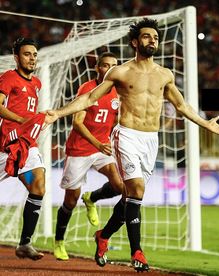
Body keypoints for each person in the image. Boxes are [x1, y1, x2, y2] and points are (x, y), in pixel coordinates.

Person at [45, 18, 219, 272]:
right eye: (146, 36)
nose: (152, 40)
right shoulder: (120, 72)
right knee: (137, 190)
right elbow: (89, 97)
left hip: (151, 140)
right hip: (127, 135)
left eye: (155, 37)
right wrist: (59, 112)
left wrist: (204, 123)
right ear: (135, 42)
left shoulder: (165, 74)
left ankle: (103, 235)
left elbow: (181, 105)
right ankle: (137, 252)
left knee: (131, 197)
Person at [53, 52, 124, 261]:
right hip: (80, 150)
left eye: (113, 66)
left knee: (121, 186)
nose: (109, 69)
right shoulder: (87, 89)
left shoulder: (117, 92)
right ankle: (59, 241)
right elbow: (77, 122)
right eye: (105, 65)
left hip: (102, 149)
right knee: (70, 200)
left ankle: (92, 198)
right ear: (97, 68)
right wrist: (97, 144)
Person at [0, 37, 45, 260]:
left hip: (26, 146)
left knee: (38, 184)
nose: (32, 58)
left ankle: (25, 243)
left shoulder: (37, 83)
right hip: (5, 145)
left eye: (34, 54)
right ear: (16, 57)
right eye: (27, 54)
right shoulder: (8, 77)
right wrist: (21, 120)